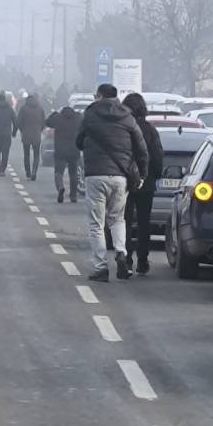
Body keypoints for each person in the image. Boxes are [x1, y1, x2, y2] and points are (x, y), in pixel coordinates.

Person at [76, 83, 147, 282]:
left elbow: (78, 141)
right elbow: (141, 147)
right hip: (120, 176)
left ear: (99, 96)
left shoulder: (90, 115)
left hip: (95, 174)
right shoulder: (127, 116)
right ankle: (121, 253)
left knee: (96, 223)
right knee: (118, 219)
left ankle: (101, 267)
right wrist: (142, 174)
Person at [122, 92, 165, 275]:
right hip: (146, 181)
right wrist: (155, 175)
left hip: (125, 180)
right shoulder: (149, 129)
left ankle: (126, 257)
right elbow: (157, 156)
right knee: (143, 222)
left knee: (124, 221)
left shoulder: (122, 129)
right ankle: (143, 260)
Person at [46, 103, 83, 203]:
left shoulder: (58, 118)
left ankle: (60, 187)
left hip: (60, 150)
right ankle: (73, 195)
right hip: (74, 149)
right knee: (73, 173)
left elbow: (48, 122)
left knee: (58, 172)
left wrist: (55, 113)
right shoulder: (78, 118)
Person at [16, 92, 47, 181]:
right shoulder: (40, 109)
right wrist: (39, 130)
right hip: (36, 135)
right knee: (36, 155)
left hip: (26, 135)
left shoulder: (23, 108)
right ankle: (34, 171)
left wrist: (22, 130)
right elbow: (43, 122)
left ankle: (28, 172)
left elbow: (19, 122)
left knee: (26, 154)